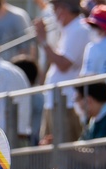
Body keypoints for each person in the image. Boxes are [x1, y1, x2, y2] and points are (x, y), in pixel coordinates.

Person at [35, 0, 91, 143]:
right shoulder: (70, 29)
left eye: (55, 8)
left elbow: (63, 64)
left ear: (64, 9)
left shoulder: (79, 29)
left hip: (67, 103)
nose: (53, 12)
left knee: (65, 156)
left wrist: (43, 40)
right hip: (57, 102)